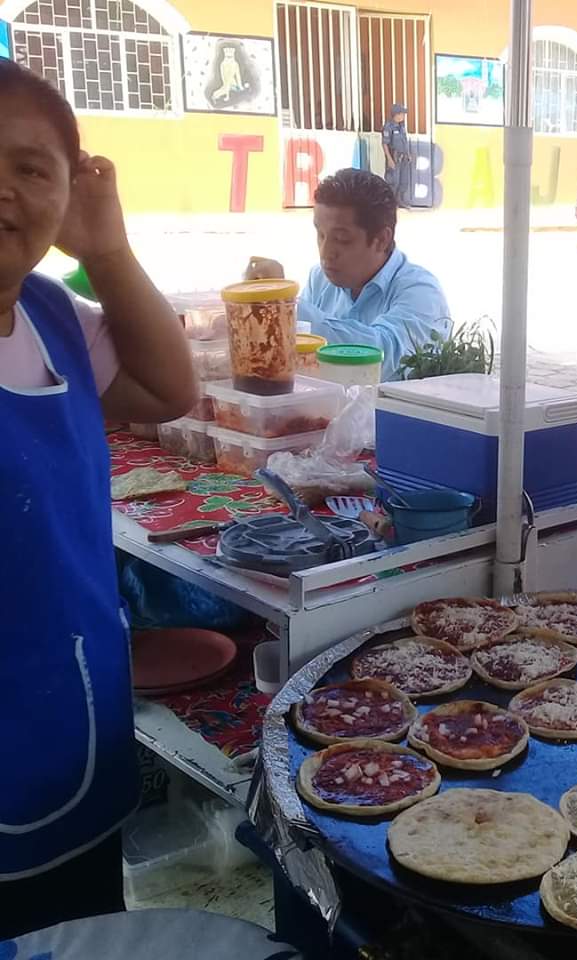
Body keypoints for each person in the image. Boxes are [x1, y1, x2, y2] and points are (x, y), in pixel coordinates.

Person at [0, 60, 197, 937]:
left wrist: (106, 250)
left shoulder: (50, 315)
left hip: (72, 705)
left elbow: (167, 390)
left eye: (30, 169)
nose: (3, 191)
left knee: (80, 929)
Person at [244, 168, 451, 380]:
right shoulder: (320, 279)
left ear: (381, 240)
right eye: (320, 235)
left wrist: (286, 306)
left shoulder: (421, 291)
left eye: (342, 240)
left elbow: (383, 358)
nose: (325, 253)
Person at [382, 103, 412, 209]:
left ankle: (399, 201)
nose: (403, 116)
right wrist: (389, 159)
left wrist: (407, 154)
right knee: (393, 182)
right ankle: (389, 204)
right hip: (393, 157)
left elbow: (404, 140)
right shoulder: (388, 126)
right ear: (396, 114)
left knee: (403, 181)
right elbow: (385, 144)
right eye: (402, 114)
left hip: (403, 158)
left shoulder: (401, 126)